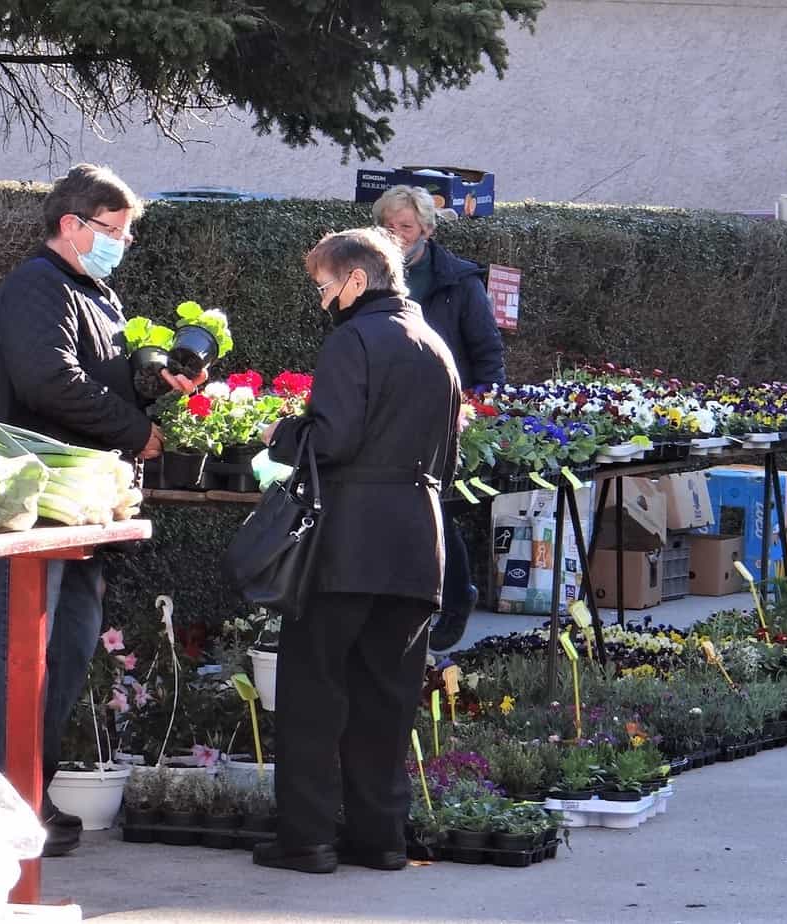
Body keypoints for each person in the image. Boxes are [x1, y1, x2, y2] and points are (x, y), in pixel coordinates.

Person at [0, 163, 201, 857]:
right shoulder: (37, 287)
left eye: (126, 236)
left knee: (65, 658)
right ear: (71, 225)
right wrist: (135, 432)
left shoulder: (89, 291)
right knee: (23, 658)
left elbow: (92, 377)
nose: (121, 245)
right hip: (34, 515)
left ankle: (28, 802)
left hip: (78, 518)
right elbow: (47, 379)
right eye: (114, 232)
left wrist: (150, 381)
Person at [253, 227, 460, 875]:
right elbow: (449, 463)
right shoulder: (436, 347)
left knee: (314, 693)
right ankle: (381, 840)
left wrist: (279, 432)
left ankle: (308, 841)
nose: (322, 301)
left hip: (346, 543)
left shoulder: (353, 341)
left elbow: (333, 439)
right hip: (417, 544)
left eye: (324, 286)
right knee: (387, 701)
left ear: (357, 280)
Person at [372, 185, 506, 651]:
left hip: (450, 412)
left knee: (434, 508)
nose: (395, 234)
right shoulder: (367, 276)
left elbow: (488, 355)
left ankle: (455, 595)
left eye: (405, 227)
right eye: (388, 226)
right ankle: (410, 605)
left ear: (426, 230)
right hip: (386, 411)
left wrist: (479, 407)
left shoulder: (459, 282)